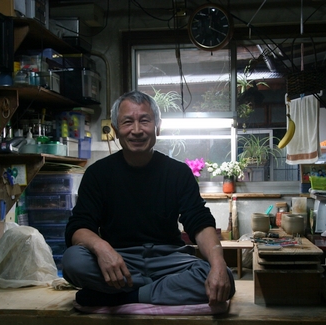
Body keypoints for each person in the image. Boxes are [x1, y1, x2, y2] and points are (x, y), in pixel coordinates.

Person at [62, 90, 235, 307]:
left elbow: (199, 222)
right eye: (127, 122)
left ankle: (124, 296)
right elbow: (78, 227)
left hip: (170, 261)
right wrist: (102, 248)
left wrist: (218, 264)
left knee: (224, 278)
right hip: (120, 260)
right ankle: (158, 289)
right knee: (73, 261)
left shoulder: (178, 173)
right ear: (116, 130)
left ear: (157, 127)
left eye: (144, 120)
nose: (136, 130)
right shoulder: (98, 174)